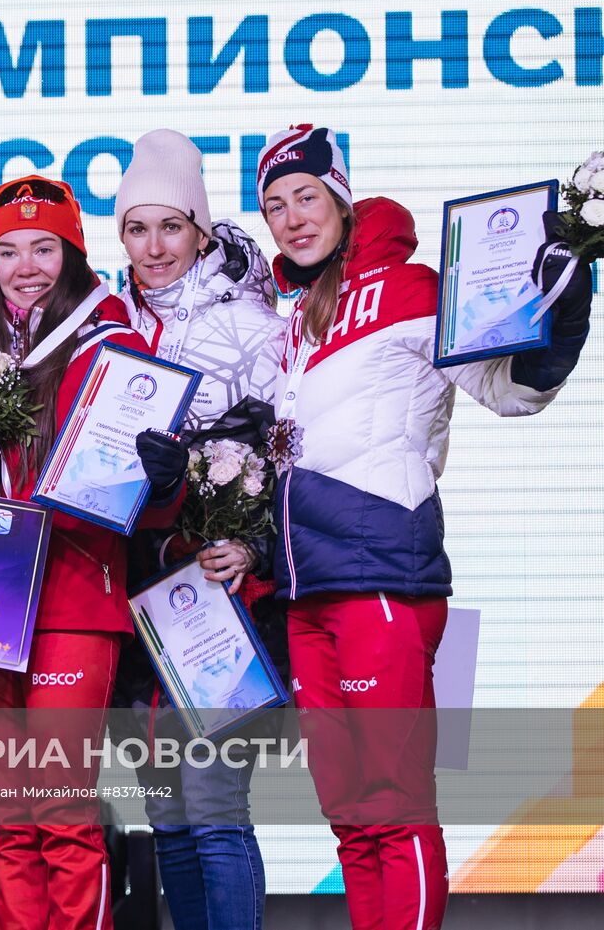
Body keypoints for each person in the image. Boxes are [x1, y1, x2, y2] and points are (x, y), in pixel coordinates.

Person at [255, 123, 594, 930]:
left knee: (396, 804)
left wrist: (567, 308)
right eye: (275, 204)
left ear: (340, 196)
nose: (294, 217)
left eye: (307, 196)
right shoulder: (293, 320)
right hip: (308, 595)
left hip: (383, 581)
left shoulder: (411, 285)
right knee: (351, 817)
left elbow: (512, 387)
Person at [0, 174, 189, 930]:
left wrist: (166, 479)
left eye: (44, 247)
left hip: (72, 598)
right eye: (10, 250)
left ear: (74, 254)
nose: (26, 266)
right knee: (9, 814)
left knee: (60, 808)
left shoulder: (112, 340)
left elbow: (151, 498)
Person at [108, 129, 288, 930]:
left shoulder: (255, 326)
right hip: (135, 598)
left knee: (214, 804)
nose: (154, 248)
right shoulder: (110, 326)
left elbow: (293, 460)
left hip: (221, 593)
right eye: (136, 229)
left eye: (170, 227)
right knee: (167, 815)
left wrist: (253, 546)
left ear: (202, 229)